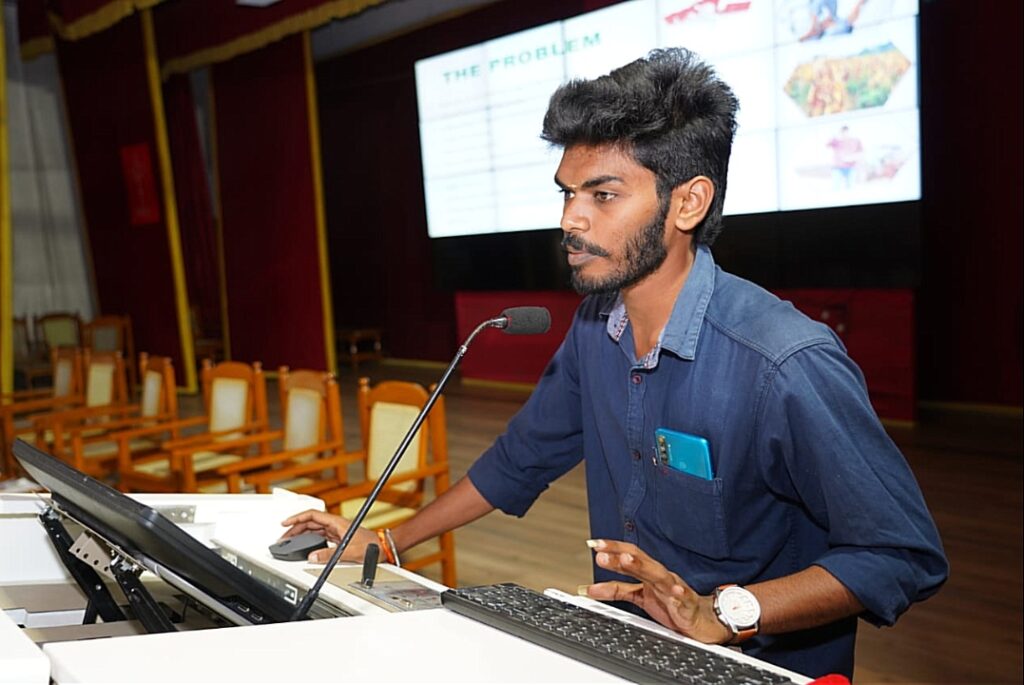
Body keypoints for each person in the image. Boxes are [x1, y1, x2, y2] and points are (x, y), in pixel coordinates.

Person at [280, 48, 947, 679]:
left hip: (755, 665)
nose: (571, 220)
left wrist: (728, 611)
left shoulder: (782, 362)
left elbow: (901, 553)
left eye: (602, 195)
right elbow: (520, 459)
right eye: (567, 193)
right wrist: (389, 539)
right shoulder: (596, 330)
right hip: (623, 645)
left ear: (688, 201)